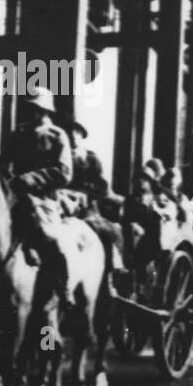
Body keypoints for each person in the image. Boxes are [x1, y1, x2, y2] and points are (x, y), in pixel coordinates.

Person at [0, 89, 74, 289]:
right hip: (15, 197)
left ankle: (63, 288)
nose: (31, 112)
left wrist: (28, 179)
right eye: (29, 108)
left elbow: (64, 172)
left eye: (35, 109)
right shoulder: (19, 133)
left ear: (45, 111)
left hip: (43, 200)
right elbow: (2, 161)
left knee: (51, 239)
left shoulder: (57, 136)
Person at [63, 121, 130, 295]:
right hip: (63, 206)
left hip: (87, 210)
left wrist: (84, 193)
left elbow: (102, 188)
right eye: (70, 134)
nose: (73, 138)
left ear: (81, 137)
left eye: (76, 134)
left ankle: (109, 274)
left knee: (105, 230)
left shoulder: (90, 159)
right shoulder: (61, 156)